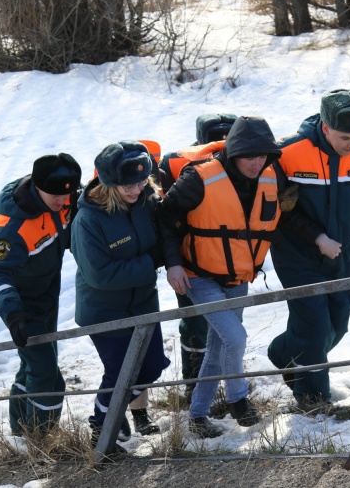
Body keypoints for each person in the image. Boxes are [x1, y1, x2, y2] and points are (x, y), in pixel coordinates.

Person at [267, 88, 350, 411]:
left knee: (337, 324)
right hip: (296, 253)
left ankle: (283, 354)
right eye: (345, 137)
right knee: (313, 327)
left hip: (341, 251)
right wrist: (316, 237)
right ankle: (313, 401)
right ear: (325, 127)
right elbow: (279, 208)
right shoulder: (289, 152)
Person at [157, 116, 282, 438]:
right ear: (234, 152)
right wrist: (172, 264)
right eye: (249, 156)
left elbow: (280, 217)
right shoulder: (198, 178)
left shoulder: (268, 176)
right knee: (235, 338)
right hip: (197, 276)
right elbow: (163, 219)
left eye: (262, 156)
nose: (257, 163)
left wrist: (318, 238)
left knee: (218, 347)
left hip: (238, 276)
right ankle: (239, 399)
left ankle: (197, 417)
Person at [72, 141, 171, 453]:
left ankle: (116, 411)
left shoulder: (146, 200)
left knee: (152, 366)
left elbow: (165, 234)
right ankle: (102, 429)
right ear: (109, 183)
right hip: (103, 309)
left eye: (142, 182)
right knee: (119, 373)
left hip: (143, 302)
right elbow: (101, 274)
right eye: (129, 184)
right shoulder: (88, 221)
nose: (136, 190)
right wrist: (151, 262)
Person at [0, 153, 82, 437]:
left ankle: (20, 434)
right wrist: (14, 315)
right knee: (47, 374)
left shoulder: (65, 199)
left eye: (68, 195)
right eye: (55, 196)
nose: (63, 202)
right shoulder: (14, 228)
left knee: (31, 368)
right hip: (24, 310)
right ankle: (42, 440)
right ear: (37, 187)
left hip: (48, 299)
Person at [158, 113, 235, 402]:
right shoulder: (175, 164)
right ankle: (194, 384)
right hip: (191, 261)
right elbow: (163, 218)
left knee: (229, 324)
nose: (221, 148)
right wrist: (173, 261)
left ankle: (229, 383)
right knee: (195, 323)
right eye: (214, 142)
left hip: (233, 260)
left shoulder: (250, 158)